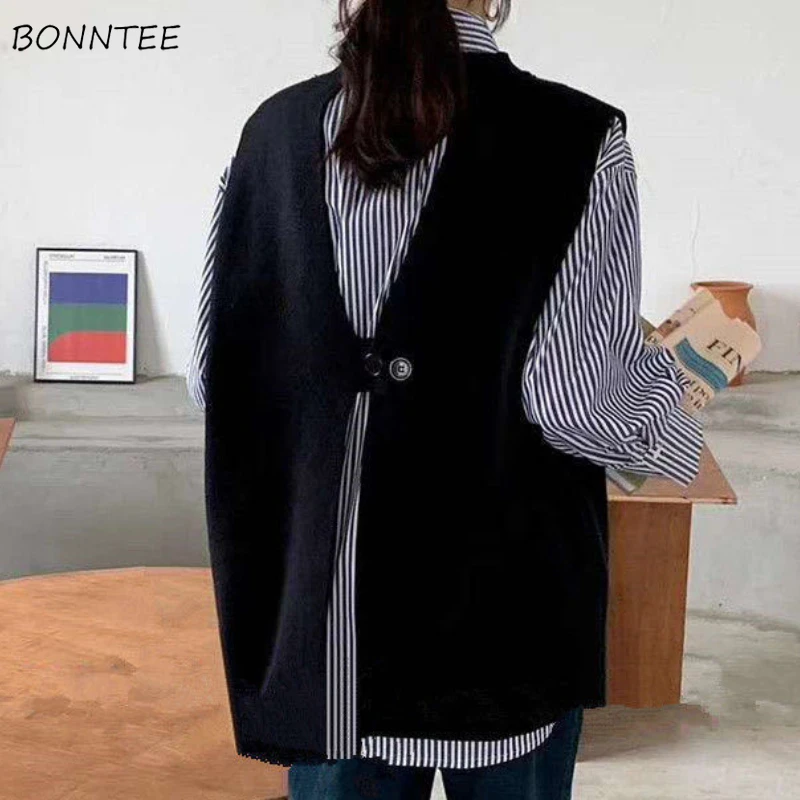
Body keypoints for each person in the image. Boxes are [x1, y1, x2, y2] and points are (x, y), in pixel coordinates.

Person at [186, 1, 704, 797]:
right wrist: (678, 408)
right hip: (500, 615)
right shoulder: (577, 136)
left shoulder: (273, 131)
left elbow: (214, 378)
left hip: (326, 632)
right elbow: (575, 402)